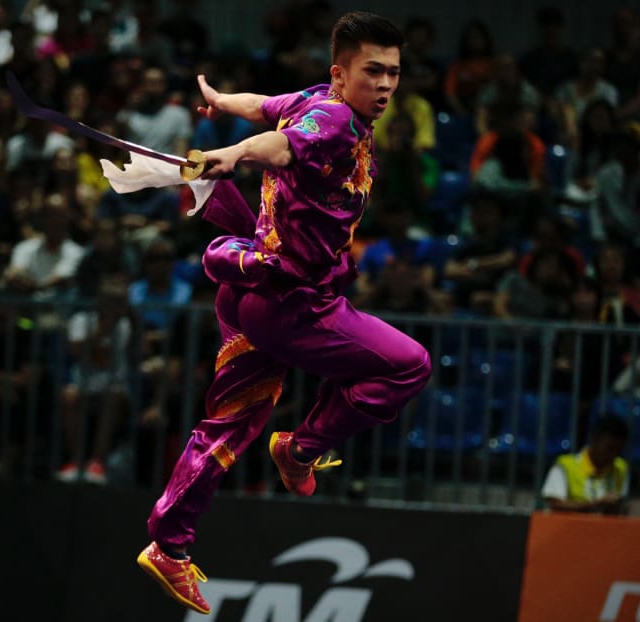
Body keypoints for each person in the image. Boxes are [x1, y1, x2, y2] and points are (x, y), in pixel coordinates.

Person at [135, 12, 431, 615]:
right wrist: (237, 153)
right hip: (296, 306)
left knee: (228, 427)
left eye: (393, 73)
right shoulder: (337, 121)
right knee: (409, 367)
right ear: (340, 73)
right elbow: (282, 144)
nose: (385, 85)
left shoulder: (315, 99)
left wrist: (221, 101)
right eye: (372, 71)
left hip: (249, 291)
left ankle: (168, 544)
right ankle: (299, 449)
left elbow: (265, 106)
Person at [541, 414, 629, 514]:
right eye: (609, 448)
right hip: (567, 527)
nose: (613, 455)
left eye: (618, 450)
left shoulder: (621, 468)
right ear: (594, 440)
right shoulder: (565, 465)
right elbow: (554, 504)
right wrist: (596, 505)